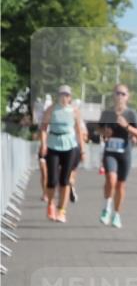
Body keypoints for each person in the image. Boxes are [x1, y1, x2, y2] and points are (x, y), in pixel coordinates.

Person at [98, 83, 137, 228]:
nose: (120, 96)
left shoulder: (131, 114)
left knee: (120, 186)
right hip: (110, 151)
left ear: (127, 97)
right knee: (111, 179)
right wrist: (105, 133)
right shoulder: (107, 113)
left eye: (123, 94)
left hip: (125, 153)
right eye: (118, 93)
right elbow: (98, 130)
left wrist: (127, 126)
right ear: (113, 95)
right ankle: (107, 208)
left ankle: (117, 215)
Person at [39, 85, 86, 223]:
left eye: (67, 95)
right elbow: (43, 128)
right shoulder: (51, 109)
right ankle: (50, 204)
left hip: (70, 146)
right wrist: (43, 144)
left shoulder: (75, 111)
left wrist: (82, 150)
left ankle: (62, 211)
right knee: (52, 180)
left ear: (70, 97)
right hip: (53, 145)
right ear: (58, 96)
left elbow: (79, 131)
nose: (64, 97)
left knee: (65, 180)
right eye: (62, 94)